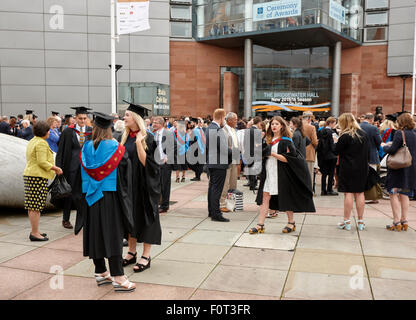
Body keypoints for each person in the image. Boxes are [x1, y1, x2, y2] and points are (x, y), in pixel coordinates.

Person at [77, 112, 135, 292]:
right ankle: (118, 276)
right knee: (113, 235)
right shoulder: (115, 148)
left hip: (90, 197)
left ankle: (101, 271)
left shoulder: (85, 147)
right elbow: (125, 177)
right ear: (109, 128)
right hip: (110, 197)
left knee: (95, 232)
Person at [253, 116, 315, 234]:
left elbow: (289, 159)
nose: (274, 126)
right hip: (269, 172)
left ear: (282, 126)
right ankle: (260, 224)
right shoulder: (268, 139)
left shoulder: (286, 140)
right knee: (265, 197)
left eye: (276, 124)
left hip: (282, 173)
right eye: (272, 124)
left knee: (286, 197)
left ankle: (291, 222)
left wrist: (272, 154)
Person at [121, 103, 162, 273]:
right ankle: (131, 252)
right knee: (130, 217)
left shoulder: (148, 138)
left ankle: (146, 255)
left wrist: (139, 143)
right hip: (128, 185)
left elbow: (149, 165)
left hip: (145, 186)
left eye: (127, 115)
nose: (124, 118)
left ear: (136, 119)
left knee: (146, 218)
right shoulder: (122, 137)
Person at [23, 121, 63, 241]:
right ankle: (34, 233)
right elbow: (42, 162)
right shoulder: (41, 143)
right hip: (37, 176)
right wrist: (56, 168)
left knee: (32, 206)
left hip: (31, 175)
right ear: (44, 132)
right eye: (48, 131)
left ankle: (35, 230)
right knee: (36, 207)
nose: (50, 133)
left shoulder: (33, 140)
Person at [56, 107, 92, 229]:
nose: (82, 120)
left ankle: (82, 219)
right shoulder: (68, 132)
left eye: (84, 118)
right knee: (69, 193)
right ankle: (65, 219)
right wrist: (59, 167)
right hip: (71, 168)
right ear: (75, 118)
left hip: (85, 168)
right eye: (80, 118)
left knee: (84, 193)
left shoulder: (90, 131)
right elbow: (61, 150)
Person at [335, 113, 369, 231]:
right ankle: (360, 221)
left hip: (348, 167)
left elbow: (336, 151)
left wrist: (336, 140)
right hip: (362, 167)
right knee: (360, 193)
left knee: (348, 193)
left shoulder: (345, 136)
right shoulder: (364, 134)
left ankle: (347, 221)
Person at [382, 113, 416, 232]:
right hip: (410, 169)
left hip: (398, 169)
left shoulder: (399, 133)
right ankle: (404, 220)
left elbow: (392, 150)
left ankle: (396, 221)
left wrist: (384, 146)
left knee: (393, 194)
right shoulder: (414, 134)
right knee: (405, 194)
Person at [206, 108, 232, 222]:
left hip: (211, 163)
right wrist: (235, 150)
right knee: (217, 189)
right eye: (224, 118)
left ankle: (211, 211)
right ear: (222, 118)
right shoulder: (218, 130)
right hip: (219, 163)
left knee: (212, 188)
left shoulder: (208, 128)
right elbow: (224, 149)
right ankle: (216, 214)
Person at [152, 116, 175, 214]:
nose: (154, 124)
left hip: (165, 162)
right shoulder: (155, 134)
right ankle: (159, 203)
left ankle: (165, 205)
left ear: (161, 124)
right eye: (153, 122)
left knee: (165, 184)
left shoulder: (168, 133)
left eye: (156, 122)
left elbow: (174, 146)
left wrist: (168, 157)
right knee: (158, 184)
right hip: (157, 162)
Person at [220, 112, 239, 213]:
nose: (237, 121)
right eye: (235, 119)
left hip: (234, 160)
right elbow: (223, 147)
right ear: (229, 120)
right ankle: (222, 203)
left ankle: (231, 203)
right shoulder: (223, 131)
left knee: (233, 184)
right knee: (225, 183)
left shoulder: (234, 130)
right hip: (226, 160)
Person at [317, 117, 338, 196]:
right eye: (334, 123)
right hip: (331, 156)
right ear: (331, 123)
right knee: (331, 173)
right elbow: (332, 146)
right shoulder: (331, 133)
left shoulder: (321, 131)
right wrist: (335, 143)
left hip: (323, 155)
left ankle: (323, 190)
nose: (335, 125)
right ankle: (329, 189)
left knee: (324, 174)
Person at [244, 116, 263, 190]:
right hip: (255, 152)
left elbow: (245, 142)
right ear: (258, 123)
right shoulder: (257, 131)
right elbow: (258, 143)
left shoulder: (248, 130)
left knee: (250, 168)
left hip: (248, 151)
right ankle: (253, 185)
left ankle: (251, 183)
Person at [302, 112, 318, 186]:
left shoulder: (298, 126)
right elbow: (315, 141)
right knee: (309, 175)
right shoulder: (311, 127)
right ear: (309, 119)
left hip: (299, 152)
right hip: (309, 153)